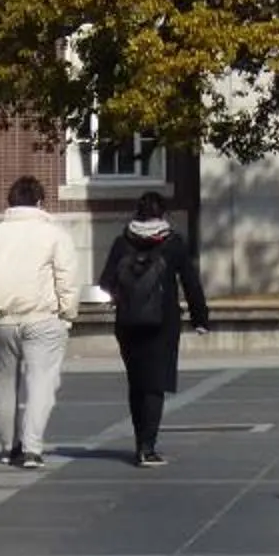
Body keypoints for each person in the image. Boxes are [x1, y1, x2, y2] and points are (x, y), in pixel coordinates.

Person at [0, 175, 82, 466]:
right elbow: (67, 278)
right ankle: (32, 448)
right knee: (41, 385)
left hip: (1, 319)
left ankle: (8, 446)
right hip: (42, 316)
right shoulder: (55, 234)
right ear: (40, 202)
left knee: (3, 385)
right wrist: (67, 314)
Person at [99, 190, 210, 466]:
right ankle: (147, 447)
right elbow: (191, 283)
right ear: (163, 214)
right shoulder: (173, 243)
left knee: (137, 382)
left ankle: (139, 441)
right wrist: (200, 318)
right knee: (155, 384)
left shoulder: (121, 242)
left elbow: (105, 281)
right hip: (163, 322)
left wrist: (124, 294)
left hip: (128, 322)